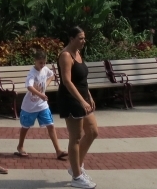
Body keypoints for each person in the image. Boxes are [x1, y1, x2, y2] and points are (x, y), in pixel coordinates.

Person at [58, 27, 99, 189]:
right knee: (75, 137)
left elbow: (81, 79)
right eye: (80, 38)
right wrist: (82, 100)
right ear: (71, 38)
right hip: (71, 100)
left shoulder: (78, 53)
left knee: (93, 131)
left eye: (84, 38)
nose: (83, 41)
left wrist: (89, 96)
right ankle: (77, 176)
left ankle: (76, 166)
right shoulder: (66, 56)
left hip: (82, 98)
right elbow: (67, 81)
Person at [14, 48, 68, 160]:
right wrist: (40, 94)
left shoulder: (45, 69)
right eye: (40, 63)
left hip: (42, 105)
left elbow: (52, 75)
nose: (42, 65)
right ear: (35, 61)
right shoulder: (32, 73)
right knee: (25, 127)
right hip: (30, 106)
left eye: (44, 62)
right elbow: (29, 87)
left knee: (51, 125)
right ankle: (20, 145)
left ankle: (58, 150)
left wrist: (46, 85)